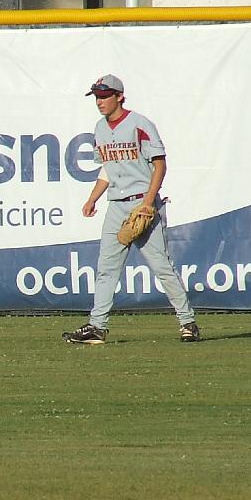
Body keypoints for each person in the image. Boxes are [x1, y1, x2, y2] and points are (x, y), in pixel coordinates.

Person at [63, 74, 200, 345]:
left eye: (105, 96)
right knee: (106, 268)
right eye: (97, 98)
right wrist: (93, 199)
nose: (100, 102)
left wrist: (149, 203)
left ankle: (188, 322)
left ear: (119, 96)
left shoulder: (140, 124)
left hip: (142, 202)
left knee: (162, 266)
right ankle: (97, 327)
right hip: (116, 205)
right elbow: (107, 168)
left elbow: (159, 165)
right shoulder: (100, 129)